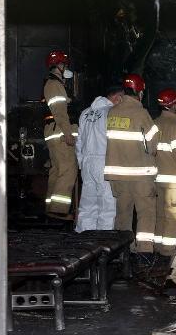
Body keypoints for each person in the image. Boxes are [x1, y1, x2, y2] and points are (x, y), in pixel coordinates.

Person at [104, 74, 159, 254]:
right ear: (140, 92)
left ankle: (122, 252)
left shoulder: (112, 112)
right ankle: (144, 251)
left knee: (123, 216)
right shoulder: (141, 113)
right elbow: (152, 144)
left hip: (118, 176)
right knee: (146, 213)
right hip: (140, 175)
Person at [75, 86, 123, 232]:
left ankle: (83, 238)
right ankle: (104, 241)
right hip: (104, 161)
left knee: (88, 203)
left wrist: (81, 163)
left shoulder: (85, 113)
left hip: (87, 162)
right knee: (107, 205)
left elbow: (79, 142)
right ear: (117, 98)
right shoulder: (111, 113)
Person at [153, 88, 176, 257]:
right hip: (174, 182)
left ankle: (158, 249)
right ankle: (168, 252)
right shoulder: (174, 127)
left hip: (157, 180)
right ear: (174, 104)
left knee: (160, 217)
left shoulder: (154, 124)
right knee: (173, 218)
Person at [43, 50, 78, 219]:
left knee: (57, 171)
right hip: (60, 132)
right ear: (57, 66)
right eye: (64, 64)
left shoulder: (53, 84)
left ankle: (51, 208)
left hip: (53, 131)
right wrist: (68, 133)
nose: (65, 68)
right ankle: (59, 210)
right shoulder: (54, 85)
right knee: (68, 170)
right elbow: (60, 113)